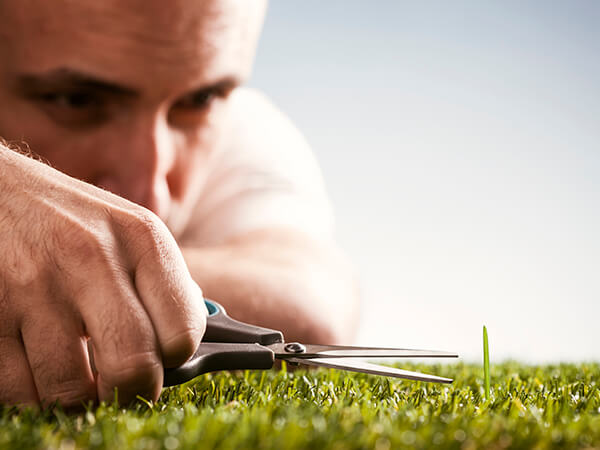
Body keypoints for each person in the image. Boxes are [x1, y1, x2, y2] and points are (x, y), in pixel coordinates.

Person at [0, 0, 359, 408]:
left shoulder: (245, 129)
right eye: (75, 100)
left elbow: (310, 307)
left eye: (201, 98)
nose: (153, 195)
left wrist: (67, 264)